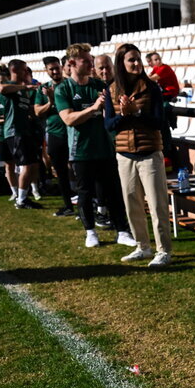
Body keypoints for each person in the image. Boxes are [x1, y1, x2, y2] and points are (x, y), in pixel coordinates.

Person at [55, 43, 137, 249]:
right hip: (80, 150)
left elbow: (110, 113)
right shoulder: (63, 89)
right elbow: (68, 119)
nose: (91, 64)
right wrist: (93, 108)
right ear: (72, 63)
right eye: (86, 60)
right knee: (84, 193)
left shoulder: (99, 85)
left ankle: (122, 231)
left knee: (113, 191)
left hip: (105, 147)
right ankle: (90, 231)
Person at [103, 44, 173, 268]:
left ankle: (163, 250)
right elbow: (109, 125)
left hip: (149, 153)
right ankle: (142, 246)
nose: (136, 64)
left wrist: (138, 112)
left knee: (157, 204)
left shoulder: (152, 88)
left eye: (138, 59)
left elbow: (160, 123)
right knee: (132, 203)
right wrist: (124, 115)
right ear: (121, 64)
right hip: (124, 155)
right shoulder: (111, 90)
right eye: (131, 60)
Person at [0, 60, 44, 209]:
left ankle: (25, 195)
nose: (26, 73)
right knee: (26, 166)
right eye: (24, 70)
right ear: (15, 70)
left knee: (33, 164)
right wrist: (25, 86)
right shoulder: (11, 86)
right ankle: (21, 200)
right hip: (14, 131)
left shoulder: (22, 90)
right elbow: (2, 88)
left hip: (25, 131)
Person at [34, 56, 75, 217]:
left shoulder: (70, 84)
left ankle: (90, 204)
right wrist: (50, 101)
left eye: (57, 67)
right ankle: (68, 205)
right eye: (51, 69)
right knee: (61, 171)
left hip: (72, 132)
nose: (55, 71)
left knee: (78, 170)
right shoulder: (43, 89)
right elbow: (37, 112)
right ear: (47, 70)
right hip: (54, 134)